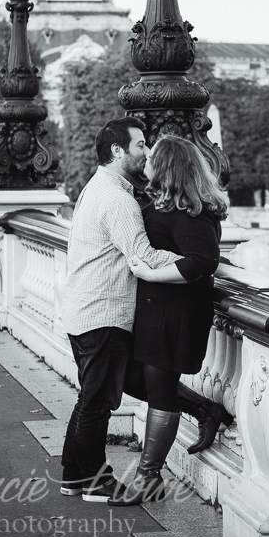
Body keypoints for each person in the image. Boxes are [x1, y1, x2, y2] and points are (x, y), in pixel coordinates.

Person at [59, 117, 182, 502]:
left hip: (84, 309)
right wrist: (196, 262)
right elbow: (142, 255)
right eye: (140, 145)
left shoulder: (96, 188)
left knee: (89, 397)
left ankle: (74, 474)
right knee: (98, 403)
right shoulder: (117, 199)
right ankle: (96, 480)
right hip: (105, 313)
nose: (147, 152)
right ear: (117, 150)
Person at [109, 134, 233, 506]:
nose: (145, 157)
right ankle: (204, 409)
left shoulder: (190, 213)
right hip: (155, 311)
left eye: (152, 155)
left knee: (159, 390)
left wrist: (151, 275)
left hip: (175, 315)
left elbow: (203, 261)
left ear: (166, 166)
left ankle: (148, 477)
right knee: (132, 378)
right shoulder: (165, 205)